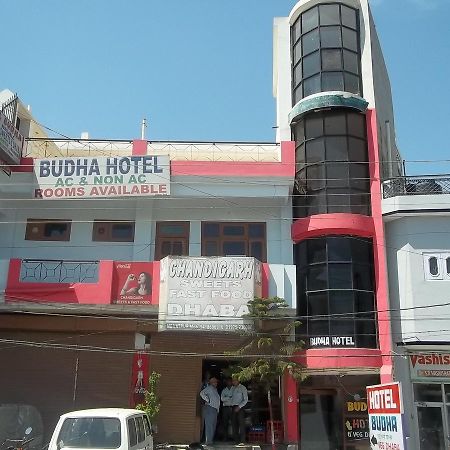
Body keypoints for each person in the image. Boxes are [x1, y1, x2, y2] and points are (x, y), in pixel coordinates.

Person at [200, 377, 220, 445]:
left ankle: (210, 441)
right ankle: (208, 441)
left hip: (215, 409)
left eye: (216, 382)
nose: (216, 383)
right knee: (209, 425)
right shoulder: (209, 388)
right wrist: (207, 400)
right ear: (211, 382)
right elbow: (202, 393)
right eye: (214, 382)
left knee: (213, 426)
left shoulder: (215, 389)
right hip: (209, 408)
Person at [231, 377, 248, 444]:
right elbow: (230, 398)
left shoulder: (243, 388)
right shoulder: (232, 388)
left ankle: (242, 440)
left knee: (241, 424)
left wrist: (239, 406)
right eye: (232, 381)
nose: (233, 382)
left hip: (240, 407)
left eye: (234, 380)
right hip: (233, 407)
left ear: (238, 380)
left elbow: (245, 399)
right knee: (234, 424)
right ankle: (236, 440)